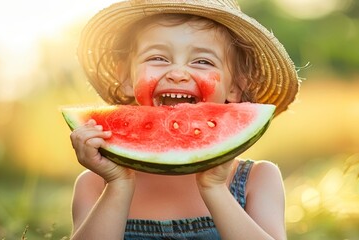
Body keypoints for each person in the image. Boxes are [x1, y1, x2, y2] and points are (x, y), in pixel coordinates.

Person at [68, 0, 300, 239]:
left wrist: (215, 188)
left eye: (202, 61)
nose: (178, 74)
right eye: (158, 58)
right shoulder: (96, 183)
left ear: (235, 86)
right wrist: (118, 184)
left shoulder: (257, 179)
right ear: (126, 77)